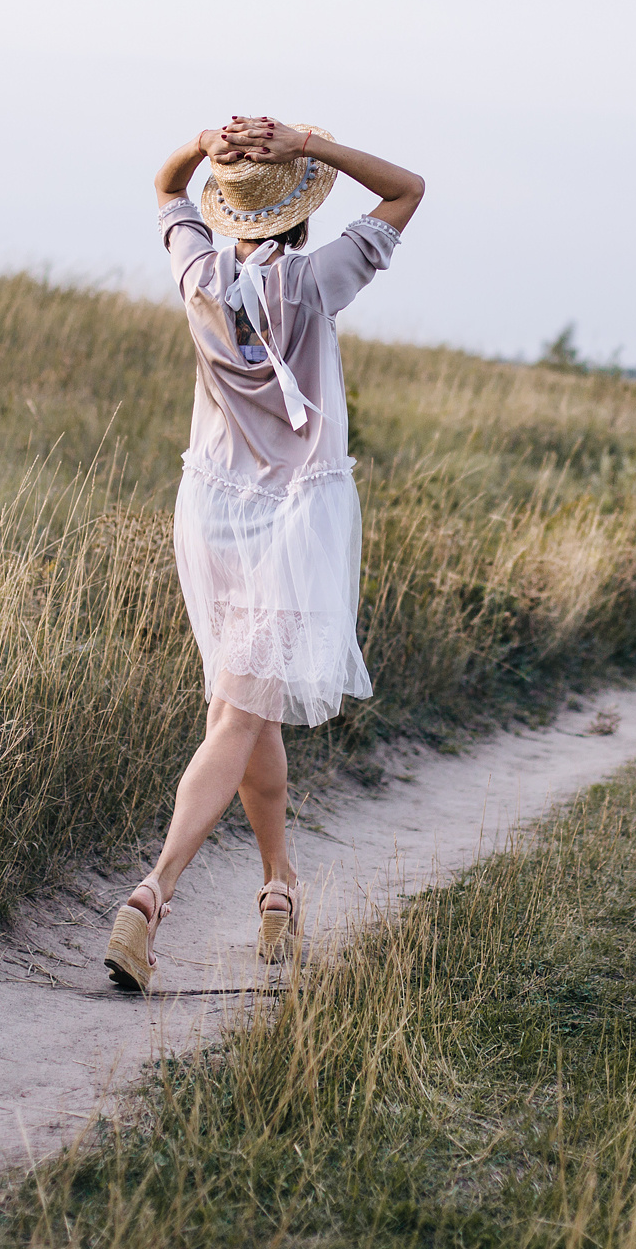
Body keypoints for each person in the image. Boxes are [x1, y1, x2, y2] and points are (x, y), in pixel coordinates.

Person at [105, 117, 426, 991]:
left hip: (210, 510)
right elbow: (407, 189)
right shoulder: (319, 280)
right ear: (299, 212)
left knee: (248, 706)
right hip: (294, 518)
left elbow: (166, 185)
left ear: (230, 213)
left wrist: (206, 141)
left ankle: (278, 885)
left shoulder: (198, 273)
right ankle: (151, 896)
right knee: (241, 714)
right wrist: (311, 143)